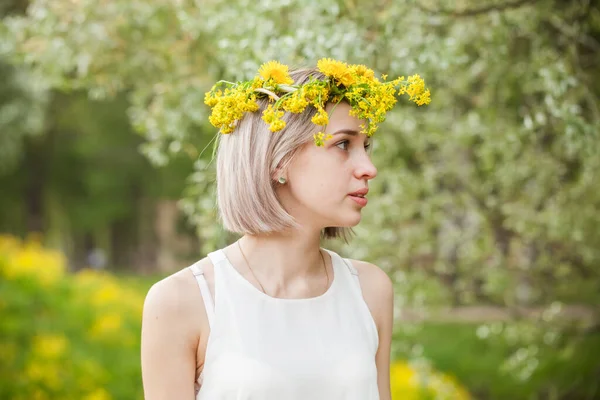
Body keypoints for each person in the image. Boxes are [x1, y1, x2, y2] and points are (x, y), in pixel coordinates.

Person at [141, 59, 430, 400]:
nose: (369, 168)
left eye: (365, 147)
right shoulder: (181, 301)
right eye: (343, 144)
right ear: (279, 160)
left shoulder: (370, 290)